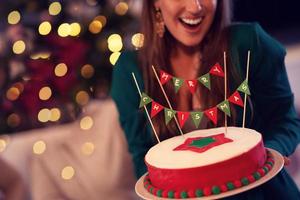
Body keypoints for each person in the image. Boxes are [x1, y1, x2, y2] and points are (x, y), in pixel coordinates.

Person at [110, 0, 300, 199]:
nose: (195, 7)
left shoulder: (250, 43)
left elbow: (284, 120)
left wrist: (260, 156)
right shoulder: (130, 71)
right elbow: (142, 156)